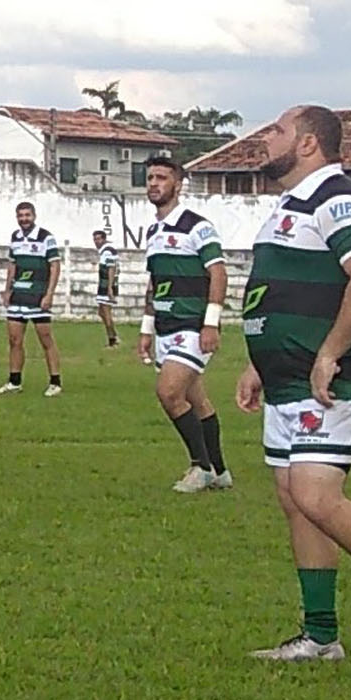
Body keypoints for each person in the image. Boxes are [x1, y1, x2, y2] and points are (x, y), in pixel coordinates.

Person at [236, 105, 351, 670]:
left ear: (309, 143)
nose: (267, 137)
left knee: (316, 497)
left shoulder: (340, 196)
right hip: (287, 380)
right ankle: (320, 636)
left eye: (279, 129)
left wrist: (330, 352)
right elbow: (289, 292)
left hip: (335, 379)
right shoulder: (290, 205)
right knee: (295, 502)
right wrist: (260, 362)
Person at [137, 155, 232, 494]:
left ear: (177, 184)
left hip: (191, 326)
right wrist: (147, 329)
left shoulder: (197, 226)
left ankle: (200, 466)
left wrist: (211, 324)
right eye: (149, 177)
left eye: (161, 177)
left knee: (169, 393)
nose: (154, 183)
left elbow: (218, 273)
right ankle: (220, 471)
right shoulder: (153, 230)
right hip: (165, 326)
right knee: (198, 400)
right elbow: (155, 282)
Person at [0, 202, 63, 396]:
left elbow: (55, 266)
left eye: (27, 215)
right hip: (18, 296)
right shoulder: (15, 237)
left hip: (38, 296)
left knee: (46, 339)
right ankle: (14, 381)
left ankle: (55, 382)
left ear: (34, 216)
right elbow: (12, 265)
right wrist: (7, 290)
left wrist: (49, 294)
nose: (24, 219)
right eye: (21, 215)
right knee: (14, 340)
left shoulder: (45, 237)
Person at [92, 229, 120, 347]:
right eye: (95, 239)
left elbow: (111, 268)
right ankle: (113, 335)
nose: (96, 242)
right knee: (102, 312)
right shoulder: (107, 251)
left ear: (104, 239)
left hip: (106, 284)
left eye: (98, 239)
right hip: (105, 283)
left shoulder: (107, 252)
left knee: (105, 312)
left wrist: (109, 287)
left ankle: (112, 340)